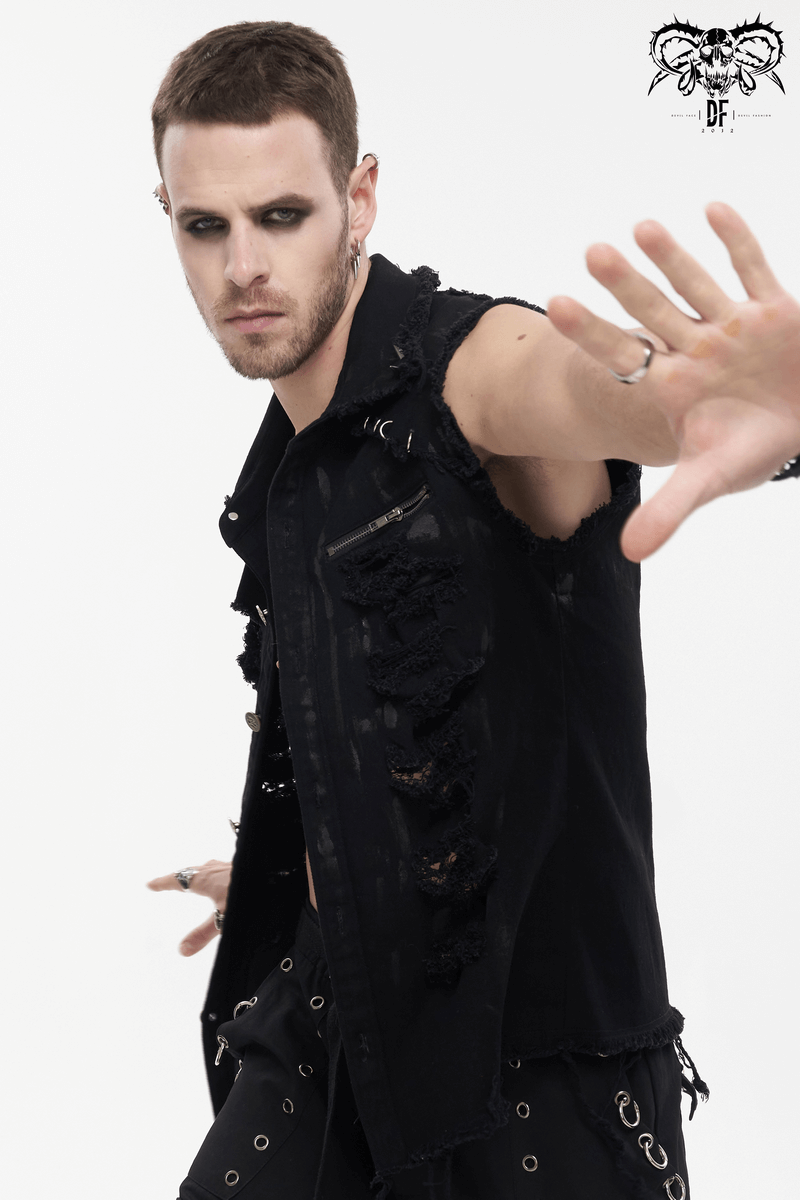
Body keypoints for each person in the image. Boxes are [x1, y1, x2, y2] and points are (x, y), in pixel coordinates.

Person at [145, 20, 800, 1200]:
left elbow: (566, 383)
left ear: (361, 196)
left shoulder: (465, 365)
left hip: (538, 1086)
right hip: (330, 1034)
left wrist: (694, 406)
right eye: (206, 225)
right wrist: (315, 868)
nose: (242, 264)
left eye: (281, 216)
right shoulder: (284, 466)